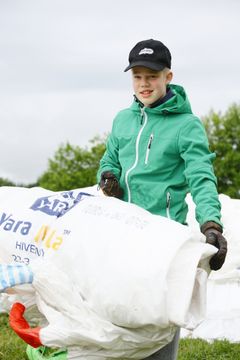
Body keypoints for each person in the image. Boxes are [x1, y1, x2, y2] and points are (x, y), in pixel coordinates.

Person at [97, 39, 227, 359]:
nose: (144, 83)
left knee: (160, 315)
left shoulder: (187, 126)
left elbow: (201, 176)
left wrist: (211, 223)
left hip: (162, 236)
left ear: (168, 76)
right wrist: (108, 178)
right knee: (119, 313)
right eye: (137, 76)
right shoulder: (122, 120)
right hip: (121, 228)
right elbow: (109, 160)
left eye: (152, 76)